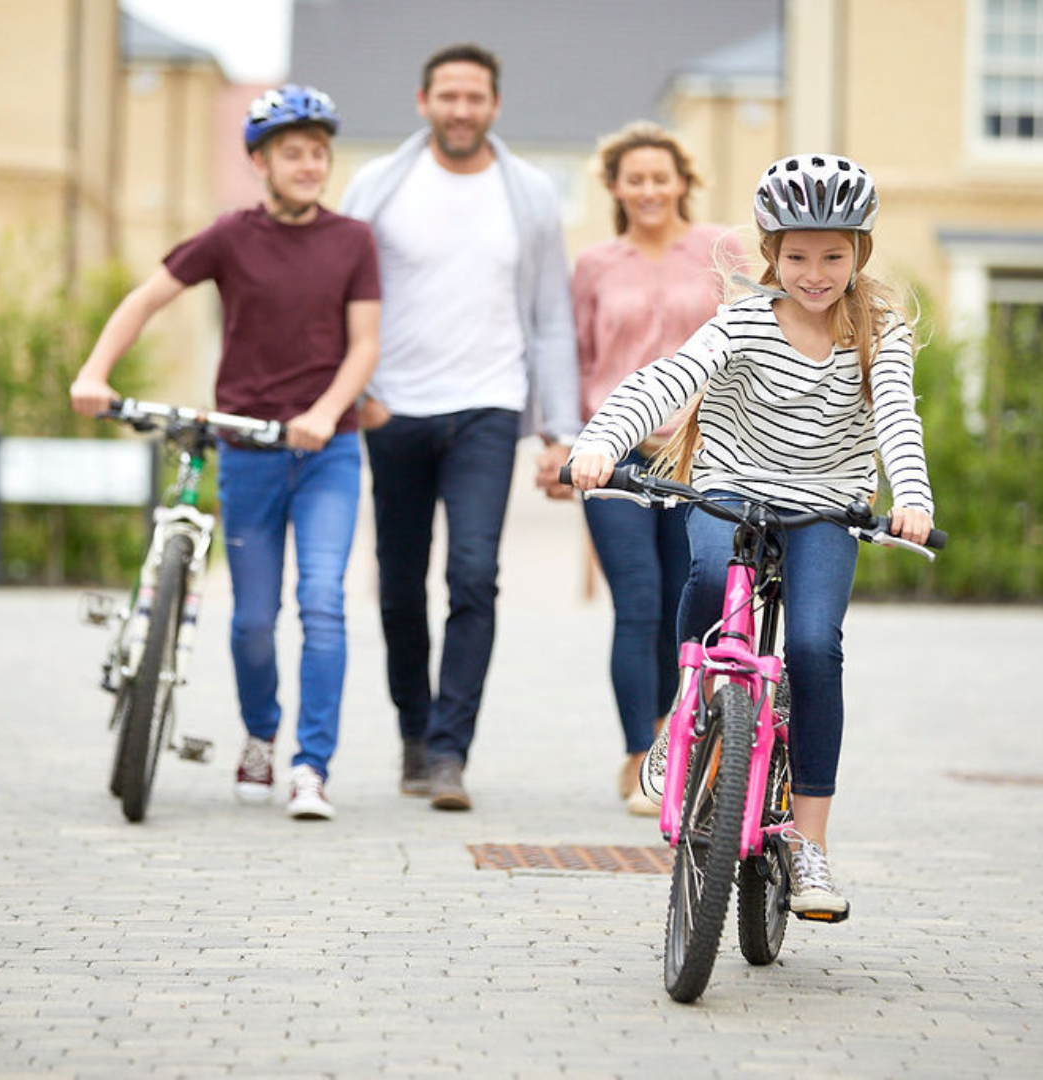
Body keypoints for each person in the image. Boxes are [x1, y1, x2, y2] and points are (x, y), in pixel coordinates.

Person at [567, 153, 935, 914]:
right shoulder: (741, 321)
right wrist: (602, 441)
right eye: (797, 255)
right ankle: (682, 716)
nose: (814, 272)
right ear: (771, 254)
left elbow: (897, 417)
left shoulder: (879, 332)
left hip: (827, 507)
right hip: (733, 491)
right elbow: (666, 380)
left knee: (811, 648)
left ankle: (809, 843)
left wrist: (911, 498)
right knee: (704, 580)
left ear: (859, 252)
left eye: (833, 255)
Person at [69, 84, 381, 822]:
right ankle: (260, 736)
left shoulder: (352, 242)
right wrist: (93, 372)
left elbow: (365, 344)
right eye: (293, 154)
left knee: (323, 605)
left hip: (326, 452)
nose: (309, 165)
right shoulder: (228, 236)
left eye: (318, 154)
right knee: (249, 620)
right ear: (259, 161)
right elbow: (145, 299)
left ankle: (311, 767)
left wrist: (324, 413)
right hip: (246, 451)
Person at [340, 43, 580, 811]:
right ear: (423, 101)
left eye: (475, 97)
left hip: (488, 403)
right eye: (448, 96)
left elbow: (551, 317)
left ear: (494, 106)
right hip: (393, 406)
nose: (461, 109)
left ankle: (449, 751)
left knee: (474, 573)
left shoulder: (531, 193)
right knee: (399, 584)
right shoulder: (378, 184)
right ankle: (414, 731)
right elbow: (336, 294)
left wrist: (560, 428)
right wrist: (356, 395)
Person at [557, 122, 746, 816]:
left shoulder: (721, 252)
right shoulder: (596, 264)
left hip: (702, 454)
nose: (647, 189)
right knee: (636, 600)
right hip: (616, 456)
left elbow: (758, 338)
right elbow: (575, 355)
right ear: (614, 188)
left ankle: (679, 740)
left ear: (682, 182)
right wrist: (563, 440)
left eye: (659, 176)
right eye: (633, 178)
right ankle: (643, 753)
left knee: (688, 597)